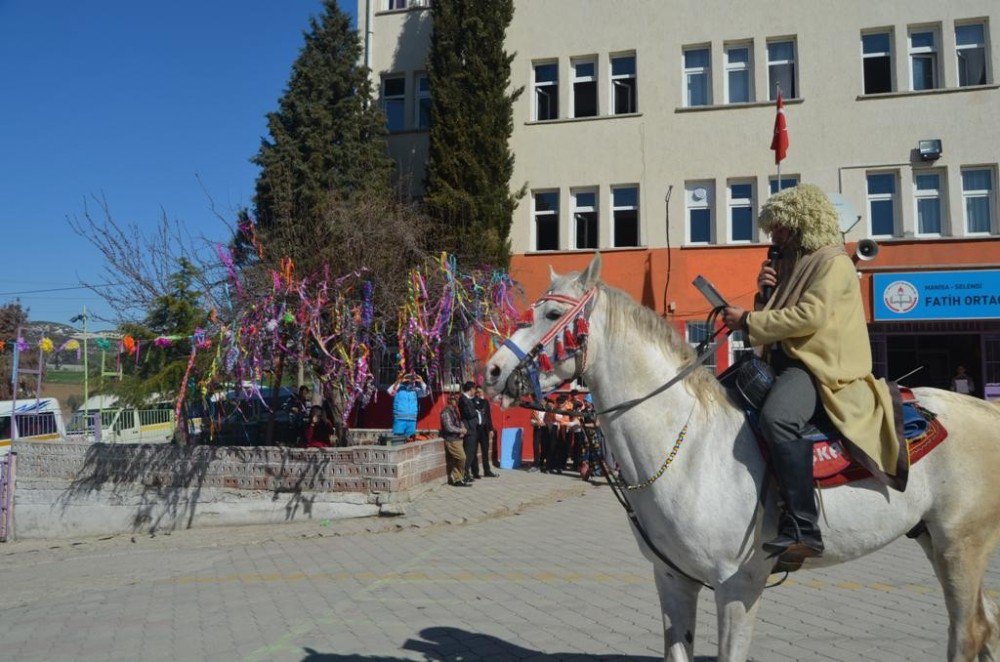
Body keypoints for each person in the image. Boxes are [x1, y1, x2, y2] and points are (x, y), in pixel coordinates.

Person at [722, 183, 905, 560]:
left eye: (780, 227)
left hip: (814, 366)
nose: (774, 235)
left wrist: (749, 319)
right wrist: (763, 293)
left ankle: (804, 528)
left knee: (778, 419)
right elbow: (778, 314)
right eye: (772, 228)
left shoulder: (833, 262)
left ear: (802, 222)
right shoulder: (791, 262)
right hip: (785, 359)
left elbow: (810, 317)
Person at [387, 371, 430, 438]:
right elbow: (390, 391)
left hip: (412, 419)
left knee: (410, 440)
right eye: (408, 377)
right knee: (397, 439)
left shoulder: (415, 390)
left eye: (411, 378)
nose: (409, 380)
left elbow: (426, 392)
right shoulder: (398, 388)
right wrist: (400, 380)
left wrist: (421, 381)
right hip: (400, 418)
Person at [439, 393, 469, 486]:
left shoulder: (455, 410)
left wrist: (463, 428)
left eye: (456, 399)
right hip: (451, 439)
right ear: (449, 400)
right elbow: (448, 427)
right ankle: (455, 477)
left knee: (458, 459)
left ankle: (459, 478)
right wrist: (460, 430)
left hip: (457, 438)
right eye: (453, 399)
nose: (455, 401)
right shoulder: (446, 412)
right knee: (462, 457)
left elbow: (459, 422)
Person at [458, 381, 480, 483]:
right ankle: (464, 474)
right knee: (468, 453)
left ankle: (467, 473)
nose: (475, 391)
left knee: (471, 453)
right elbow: (470, 413)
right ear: (470, 389)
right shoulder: (464, 399)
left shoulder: (468, 400)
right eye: (474, 389)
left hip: (472, 428)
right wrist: (476, 413)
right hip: (469, 429)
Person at [473, 387, 498, 476]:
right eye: (477, 392)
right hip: (475, 429)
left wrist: (491, 429)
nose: (478, 394)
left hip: (484, 429)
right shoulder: (472, 401)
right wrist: (477, 399)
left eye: (480, 392)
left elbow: (488, 416)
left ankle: (487, 471)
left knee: (485, 451)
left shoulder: (486, 402)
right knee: (474, 451)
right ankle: (475, 472)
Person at [529, 407, 548, 472]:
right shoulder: (535, 411)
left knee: (544, 446)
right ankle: (536, 464)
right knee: (536, 446)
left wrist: (545, 423)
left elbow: (550, 420)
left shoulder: (547, 410)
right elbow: (531, 421)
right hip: (537, 429)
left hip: (545, 429)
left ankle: (542, 463)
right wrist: (536, 423)